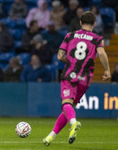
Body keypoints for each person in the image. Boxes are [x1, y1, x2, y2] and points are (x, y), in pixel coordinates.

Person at [43, 11, 111, 146]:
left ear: (80, 22)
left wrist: (71, 62)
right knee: (68, 108)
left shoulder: (70, 35)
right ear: (94, 23)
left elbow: (60, 56)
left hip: (70, 75)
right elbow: (101, 53)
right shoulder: (97, 39)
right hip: (85, 78)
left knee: (66, 104)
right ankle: (51, 136)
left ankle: (74, 123)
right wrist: (107, 70)